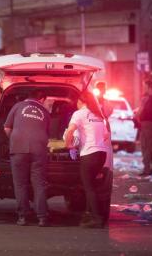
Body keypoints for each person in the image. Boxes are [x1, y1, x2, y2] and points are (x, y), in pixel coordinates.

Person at [4, 89, 50, 227]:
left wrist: (14, 139)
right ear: (41, 99)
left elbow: (6, 127)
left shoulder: (18, 106)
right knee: (39, 183)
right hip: (39, 150)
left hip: (18, 149)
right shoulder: (45, 112)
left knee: (20, 184)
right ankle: (42, 218)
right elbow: (48, 134)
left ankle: (23, 217)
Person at [65, 91, 110, 228]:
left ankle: (96, 218)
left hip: (89, 154)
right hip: (101, 154)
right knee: (92, 186)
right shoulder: (99, 114)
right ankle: (89, 214)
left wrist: (69, 146)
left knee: (89, 188)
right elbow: (106, 135)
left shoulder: (79, 114)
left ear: (80, 101)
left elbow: (70, 131)